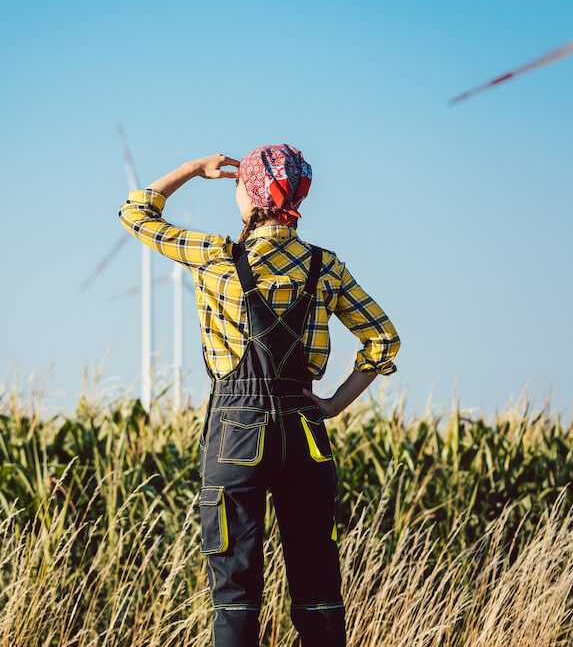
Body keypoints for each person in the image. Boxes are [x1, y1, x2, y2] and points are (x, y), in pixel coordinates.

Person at [117, 145, 400, 647]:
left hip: (235, 431)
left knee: (236, 601)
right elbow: (383, 339)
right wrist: (333, 404)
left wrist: (191, 169)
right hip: (305, 430)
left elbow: (135, 212)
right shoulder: (325, 266)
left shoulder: (215, 255)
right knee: (318, 596)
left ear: (250, 193)